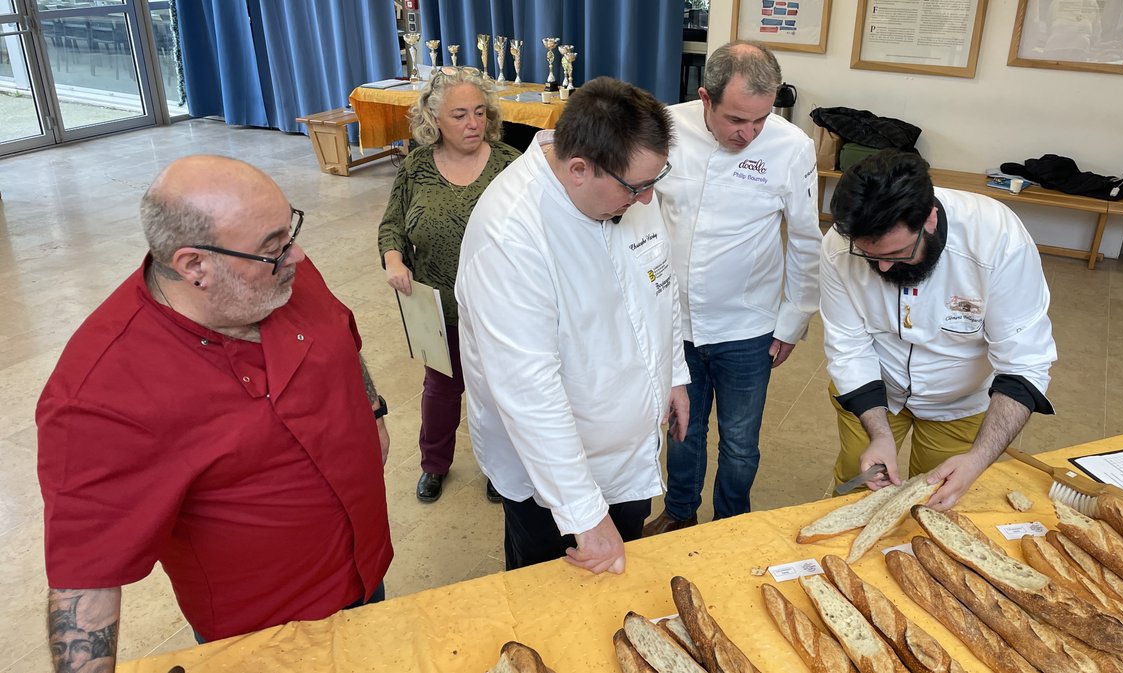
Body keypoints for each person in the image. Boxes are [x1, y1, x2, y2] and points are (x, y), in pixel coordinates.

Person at [37, 156, 393, 668]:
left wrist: (372, 409)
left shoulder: (276, 272)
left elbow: (338, 333)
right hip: (263, 639)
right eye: (273, 247)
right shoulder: (99, 395)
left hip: (367, 569)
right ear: (194, 266)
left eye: (289, 232)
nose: (296, 254)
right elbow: (85, 587)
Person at [456, 77, 690, 573]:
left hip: (630, 450)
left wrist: (673, 374)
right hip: (553, 481)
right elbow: (529, 391)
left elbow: (660, 283)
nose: (647, 200)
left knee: (620, 588)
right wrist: (584, 513)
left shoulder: (626, 187)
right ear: (579, 169)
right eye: (637, 187)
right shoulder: (509, 236)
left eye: (655, 180)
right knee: (551, 597)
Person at [644, 41, 822, 535]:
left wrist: (793, 320)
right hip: (676, 319)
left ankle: (730, 525)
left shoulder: (791, 146)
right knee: (682, 427)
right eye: (736, 120)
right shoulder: (664, 128)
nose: (749, 133)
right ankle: (680, 512)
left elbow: (806, 240)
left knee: (740, 441)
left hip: (748, 325)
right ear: (705, 97)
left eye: (761, 119)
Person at [821, 149, 1057, 510]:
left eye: (897, 253)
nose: (883, 268)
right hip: (873, 389)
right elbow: (848, 345)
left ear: (930, 219)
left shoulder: (997, 238)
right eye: (870, 256)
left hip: (959, 403)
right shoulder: (839, 245)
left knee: (935, 500)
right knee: (855, 492)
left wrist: (977, 459)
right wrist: (879, 434)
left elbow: (1024, 363)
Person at [378, 66, 520, 504]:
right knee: (441, 390)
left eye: (479, 112)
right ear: (435, 119)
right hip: (436, 306)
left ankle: (500, 467)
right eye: (459, 115)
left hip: (499, 306)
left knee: (496, 391)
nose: (472, 123)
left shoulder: (511, 165)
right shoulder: (417, 166)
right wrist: (394, 260)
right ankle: (434, 464)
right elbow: (392, 225)